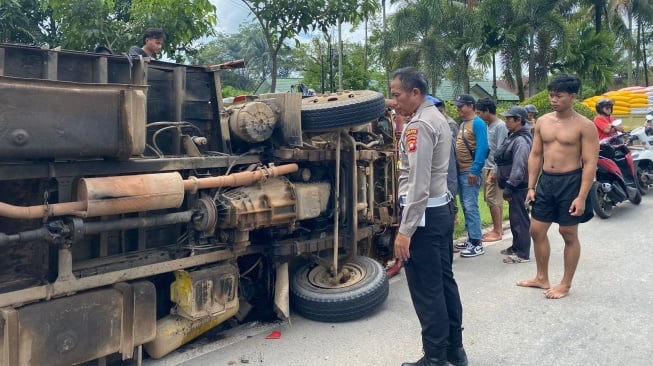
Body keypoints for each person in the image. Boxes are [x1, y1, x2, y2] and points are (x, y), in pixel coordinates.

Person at [391, 67, 467, 366]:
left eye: (397, 95)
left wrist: (405, 230)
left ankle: (435, 358)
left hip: (424, 216)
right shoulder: (438, 118)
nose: (394, 101)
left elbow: (418, 184)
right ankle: (454, 351)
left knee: (427, 288)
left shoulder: (419, 125)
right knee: (444, 283)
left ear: (415, 93)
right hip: (440, 210)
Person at [518, 74, 599, 299]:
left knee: (568, 233)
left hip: (571, 181)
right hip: (546, 181)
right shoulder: (543, 121)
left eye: (559, 96)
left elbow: (591, 162)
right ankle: (542, 277)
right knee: (536, 230)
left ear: (573, 96)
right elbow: (535, 155)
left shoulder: (585, 125)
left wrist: (582, 196)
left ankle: (565, 283)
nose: (553, 99)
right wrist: (531, 186)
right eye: (552, 95)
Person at [495, 106, 533, 263]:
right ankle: (516, 246)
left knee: (520, 219)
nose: (506, 121)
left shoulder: (521, 141)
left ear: (519, 120)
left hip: (519, 186)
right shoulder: (512, 135)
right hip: (512, 184)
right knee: (514, 218)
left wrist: (510, 186)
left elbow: (520, 166)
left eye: (509, 119)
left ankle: (523, 253)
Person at [453, 94, 489, 258]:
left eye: (461, 106)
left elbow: (483, 148)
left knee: (470, 206)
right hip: (462, 171)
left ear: (470, 106)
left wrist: (475, 170)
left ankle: (476, 242)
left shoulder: (478, 123)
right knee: (465, 205)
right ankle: (471, 237)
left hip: (470, 171)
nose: (459, 109)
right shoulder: (463, 124)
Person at [475, 97, 508, 243]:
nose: (479, 115)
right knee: (494, 200)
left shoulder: (500, 126)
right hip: (487, 166)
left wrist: (495, 171)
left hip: (494, 168)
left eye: (480, 112)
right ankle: (498, 227)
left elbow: (501, 149)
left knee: (492, 200)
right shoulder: (489, 126)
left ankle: (497, 230)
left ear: (487, 111)